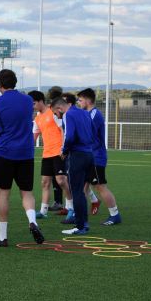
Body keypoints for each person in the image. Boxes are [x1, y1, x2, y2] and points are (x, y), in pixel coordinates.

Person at [0, 69, 44, 247]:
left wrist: (1, 130)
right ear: (15, 82)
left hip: (6, 152)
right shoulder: (27, 100)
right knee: (27, 192)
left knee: (4, 193)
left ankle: (3, 237)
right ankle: (32, 221)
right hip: (26, 153)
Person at [82, 88, 121, 225]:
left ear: (87, 100)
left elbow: (88, 134)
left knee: (100, 186)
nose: (79, 103)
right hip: (88, 156)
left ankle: (115, 215)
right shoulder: (88, 113)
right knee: (83, 187)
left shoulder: (94, 114)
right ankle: (77, 215)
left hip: (96, 157)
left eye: (81, 100)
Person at [61, 88, 97, 236]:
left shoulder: (69, 114)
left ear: (60, 107)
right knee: (81, 191)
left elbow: (69, 136)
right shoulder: (85, 112)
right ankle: (84, 224)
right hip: (89, 154)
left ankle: (80, 226)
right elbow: (93, 132)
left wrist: (64, 150)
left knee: (77, 192)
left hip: (78, 155)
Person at [30, 90, 65, 220]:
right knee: (45, 182)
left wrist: (63, 148)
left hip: (59, 152)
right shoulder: (37, 118)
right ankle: (43, 211)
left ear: (40, 101)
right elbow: (33, 137)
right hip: (47, 154)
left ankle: (70, 207)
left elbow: (63, 129)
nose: (32, 106)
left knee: (61, 181)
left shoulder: (53, 111)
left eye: (33, 103)